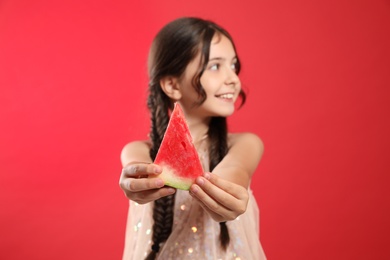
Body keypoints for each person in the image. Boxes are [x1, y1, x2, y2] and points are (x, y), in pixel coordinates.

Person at [119, 17, 266, 260]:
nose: (234, 79)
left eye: (234, 65)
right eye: (216, 66)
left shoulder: (245, 144)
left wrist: (229, 198)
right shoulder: (137, 151)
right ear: (172, 85)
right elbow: (137, 172)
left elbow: (234, 172)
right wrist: (135, 183)